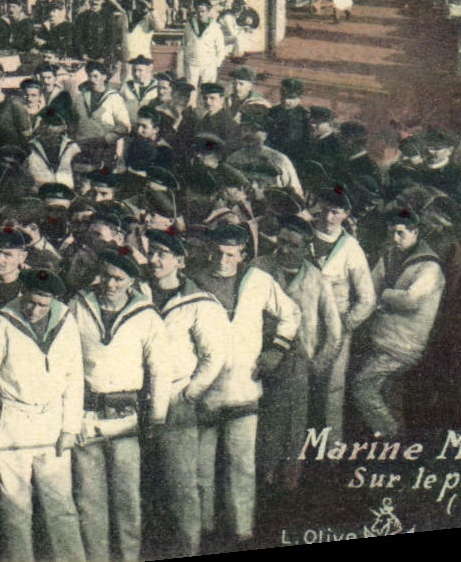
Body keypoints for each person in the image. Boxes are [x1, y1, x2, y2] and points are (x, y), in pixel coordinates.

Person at [0, 268, 84, 562]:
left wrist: (70, 427)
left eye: (42, 305)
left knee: (62, 508)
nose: (34, 310)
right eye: (29, 302)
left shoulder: (66, 322)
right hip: (12, 425)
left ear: (54, 301)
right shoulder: (1, 324)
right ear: (22, 294)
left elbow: (74, 376)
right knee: (16, 512)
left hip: (52, 425)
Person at [197, 222, 299, 545]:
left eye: (229, 254)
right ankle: (204, 532)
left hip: (244, 388)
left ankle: (243, 532)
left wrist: (277, 350)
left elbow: (291, 313)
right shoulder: (193, 283)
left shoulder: (257, 281)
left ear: (242, 254)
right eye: (215, 252)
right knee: (201, 468)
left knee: (241, 465)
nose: (220, 260)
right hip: (203, 391)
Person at [68, 249, 169, 562]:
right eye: (106, 276)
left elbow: (160, 370)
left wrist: (157, 417)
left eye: (118, 278)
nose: (109, 284)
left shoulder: (146, 316)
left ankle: (129, 556)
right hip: (86, 413)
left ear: (132, 281)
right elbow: (65, 359)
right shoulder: (79, 306)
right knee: (88, 497)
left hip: (126, 416)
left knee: (126, 496)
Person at [143, 228, 225, 559]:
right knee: (145, 480)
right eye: (152, 251)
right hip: (139, 397)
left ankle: (188, 548)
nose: (154, 259)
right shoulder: (139, 294)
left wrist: (191, 392)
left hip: (177, 397)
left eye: (163, 253)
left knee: (181, 482)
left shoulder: (198, 302)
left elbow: (214, 355)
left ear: (180, 260)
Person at [255, 216, 342, 492]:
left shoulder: (317, 279)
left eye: (294, 245)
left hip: (298, 363)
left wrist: (318, 364)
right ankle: (263, 478)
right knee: (264, 422)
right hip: (260, 358)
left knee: (293, 426)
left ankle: (288, 483)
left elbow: (334, 330)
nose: (286, 250)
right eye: (281, 242)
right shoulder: (258, 268)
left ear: (307, 247)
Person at [352, 210, 446, 438]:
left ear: (415, 232)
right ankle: (396, 450)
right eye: (391, 233)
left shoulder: (430, 267)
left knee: (362, 388)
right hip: (383, 339)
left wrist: (384, 294)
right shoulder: (390, 257)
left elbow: (411, 300)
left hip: (402, 346)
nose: (395, 238)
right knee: (388, 395)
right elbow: (369, 289)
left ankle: (392, 437)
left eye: (400, 233)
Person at [309, 189, 376, 442]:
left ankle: (330, 451)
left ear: (345, 214)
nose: (328, 217)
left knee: (331, 389)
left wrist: (344, 325)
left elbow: (367, 299)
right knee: (300, 387)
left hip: (335, 327)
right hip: (303, 324)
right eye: (325, 209)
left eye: (335, 212)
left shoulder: (350, 248)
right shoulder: (305, 237)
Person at [178, 0, 228, 88]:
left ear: (208, 12)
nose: (200, 14)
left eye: (203, 11)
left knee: (207, 91)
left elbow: (221, 48)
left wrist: (216, 64)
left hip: (208, 65)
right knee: (190, 91)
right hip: (192, 64)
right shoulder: (189, 25)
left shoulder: (215, 27)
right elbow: (184, 44)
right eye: (198, 11)